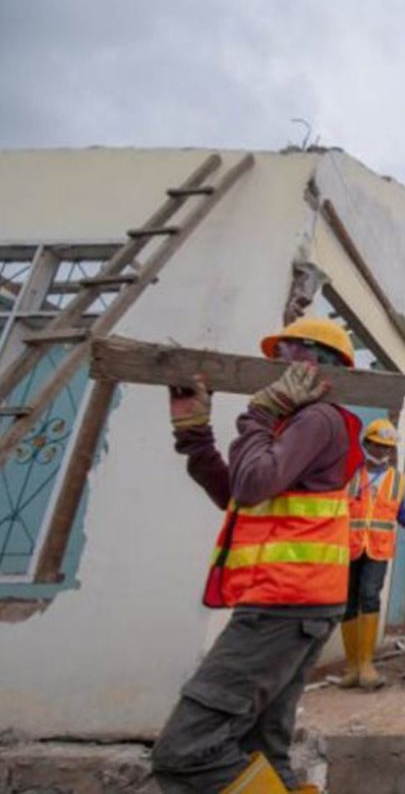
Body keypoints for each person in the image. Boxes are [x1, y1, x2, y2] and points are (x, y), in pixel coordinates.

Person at [151, 317, 364, 794]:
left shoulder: (318, 418)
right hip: (294, 604)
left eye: (280, 355)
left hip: (284, 605)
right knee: (260, 748)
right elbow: (237, 492)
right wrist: (195, 436)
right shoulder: (299, 422)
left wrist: (261, 414)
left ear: (308, 362)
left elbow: (251, 486)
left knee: (185, 753)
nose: (271, 367)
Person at [339, 418, 405, 689]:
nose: (381, 452)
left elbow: (399, 510)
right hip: (349, 546)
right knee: (348, 602)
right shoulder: (351, 473)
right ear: (365, 444)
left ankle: (367, 664)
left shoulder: (397, 480)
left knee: (369, 596)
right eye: (377, 446)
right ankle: (352, 666)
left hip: (377, 548)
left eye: (386, 448)